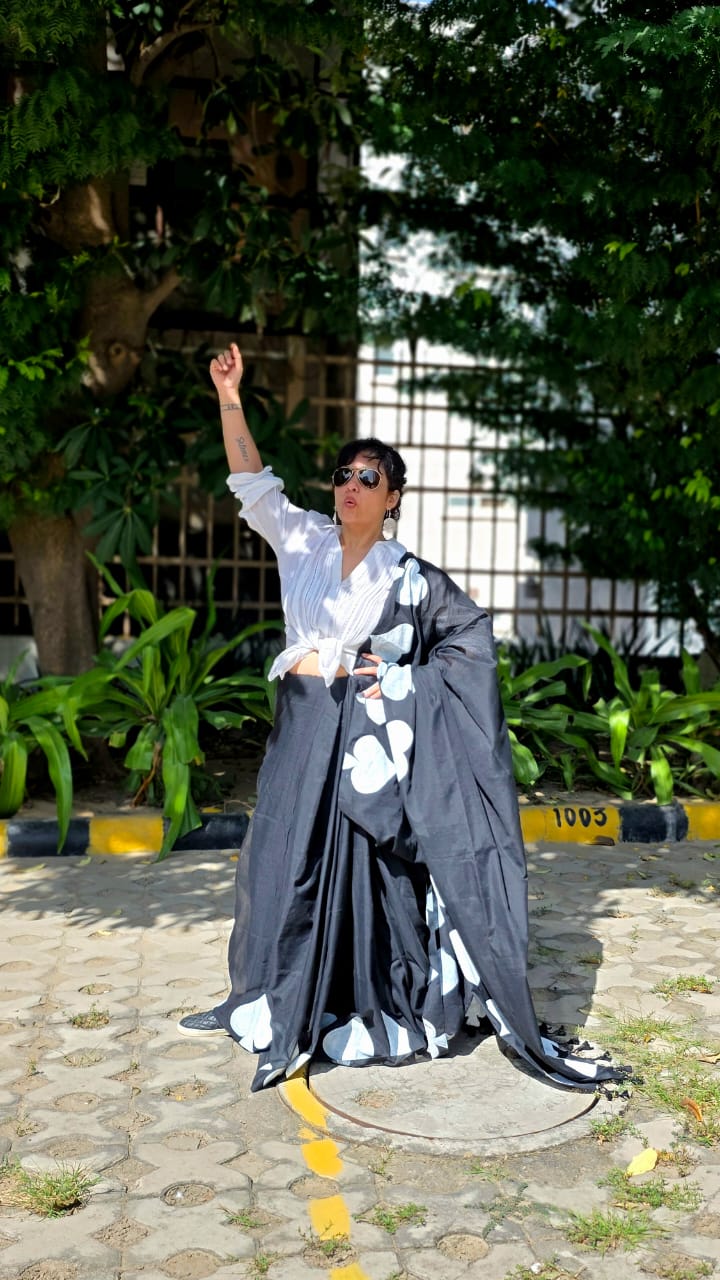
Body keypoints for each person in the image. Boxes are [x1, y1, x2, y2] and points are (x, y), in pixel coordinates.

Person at [178, 342, 628, 1095]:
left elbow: (470, 641)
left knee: (355, 878)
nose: (351, 485)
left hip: (362, 749)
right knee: (279, 866)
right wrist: (229, 393)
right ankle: (263, 1001)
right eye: (345, 475)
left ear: (392, 499)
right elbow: (250, 478)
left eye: (369, 478)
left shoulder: (410, 578)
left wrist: (388, 677)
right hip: (300, 732)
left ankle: (352, 1009)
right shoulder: (301, 542)